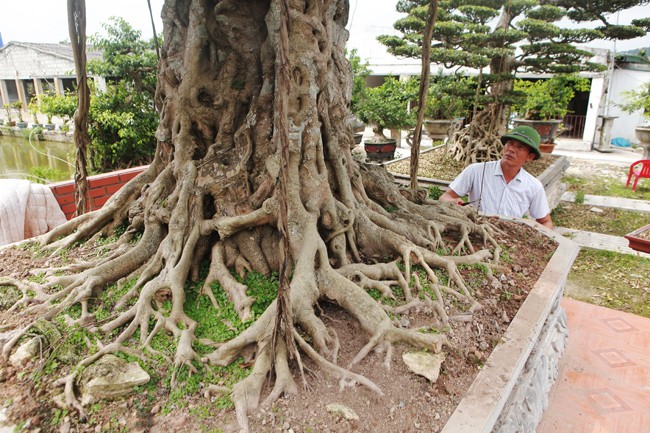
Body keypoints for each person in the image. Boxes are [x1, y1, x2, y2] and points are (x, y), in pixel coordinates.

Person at [439, 125, 553, 229]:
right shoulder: (476, 171)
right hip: (475, 230)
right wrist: (453, 201)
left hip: (509, 238)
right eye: (509, 143)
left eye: (520, 147)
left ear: (530, 156)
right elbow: (445, 196)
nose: (511, 149)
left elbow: (545, 222)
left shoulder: (533, 186)